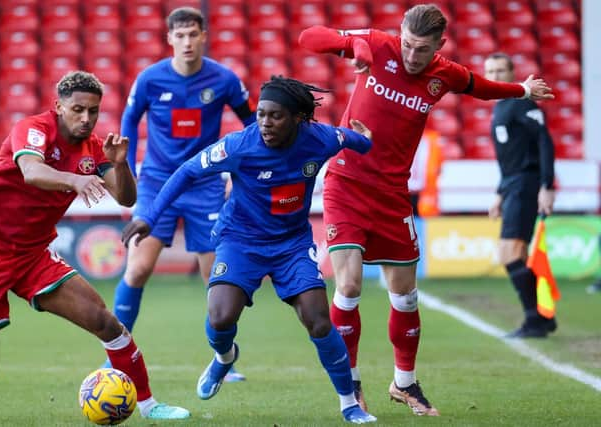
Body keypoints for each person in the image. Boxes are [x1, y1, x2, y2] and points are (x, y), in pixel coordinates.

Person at [298, 4, 554, 415]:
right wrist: (356, 48)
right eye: (407, 45)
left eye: (422, 50)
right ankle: (352, 385)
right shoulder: (379, 46)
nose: (411, 56)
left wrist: (521, 90)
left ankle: (405, 384)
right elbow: (308, 37)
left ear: (440, 46)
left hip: (392, 195)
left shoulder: (444, 73)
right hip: (346, 183)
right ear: (398, 34)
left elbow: (480, 87)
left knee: (405, 296)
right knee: (347, 286)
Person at [121, 76, 377, 424]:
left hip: (292, 244)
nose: (265, 123)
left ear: (299, 118)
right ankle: (225, 358)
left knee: (318, 321)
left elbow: (355, 141)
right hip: (240, 241)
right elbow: (186, 172)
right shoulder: (239, 146)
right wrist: (149, 217)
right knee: (220, 316)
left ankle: (349, 403)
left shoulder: (321, 138)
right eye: (261, 115)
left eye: (275, 116)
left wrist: (365, 141)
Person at [0, 71, 190, 420]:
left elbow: (126, 197)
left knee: (104, 321)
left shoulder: (94, 149)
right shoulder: (33, 129)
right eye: (78, 109)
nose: (86, 119)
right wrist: (75, 180)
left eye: (94, 111)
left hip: (32, 256)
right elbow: (32, 172)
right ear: (58, 107)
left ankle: (148, 404)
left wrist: (119, 163)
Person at [108, 6, 255, 381]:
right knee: (138, 268)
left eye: (193, 34)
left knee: (215, 278)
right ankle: (117, 357)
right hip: (157, 182)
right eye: (180, 35)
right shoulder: (149, 79)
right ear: (169, 38)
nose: (187, 42)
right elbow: (129, 121)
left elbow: (253, 124)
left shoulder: (223, 79)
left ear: (204, 35)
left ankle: (224, 359)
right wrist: (132, 171)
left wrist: (240, 167)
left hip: (204, 183)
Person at [484, 52, 557, 338]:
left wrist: (547, 186)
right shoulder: (500, 106)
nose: (495, 76)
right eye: (490, 71)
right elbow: (510, 158)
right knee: (518, 255)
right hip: (513, 185)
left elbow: (544, 140)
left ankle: (534, 320)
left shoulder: (520, 102)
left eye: (501, 70)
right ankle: (542, 316)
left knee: (509, 253)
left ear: (512, 73)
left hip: (527, 185)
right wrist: (500, 194)